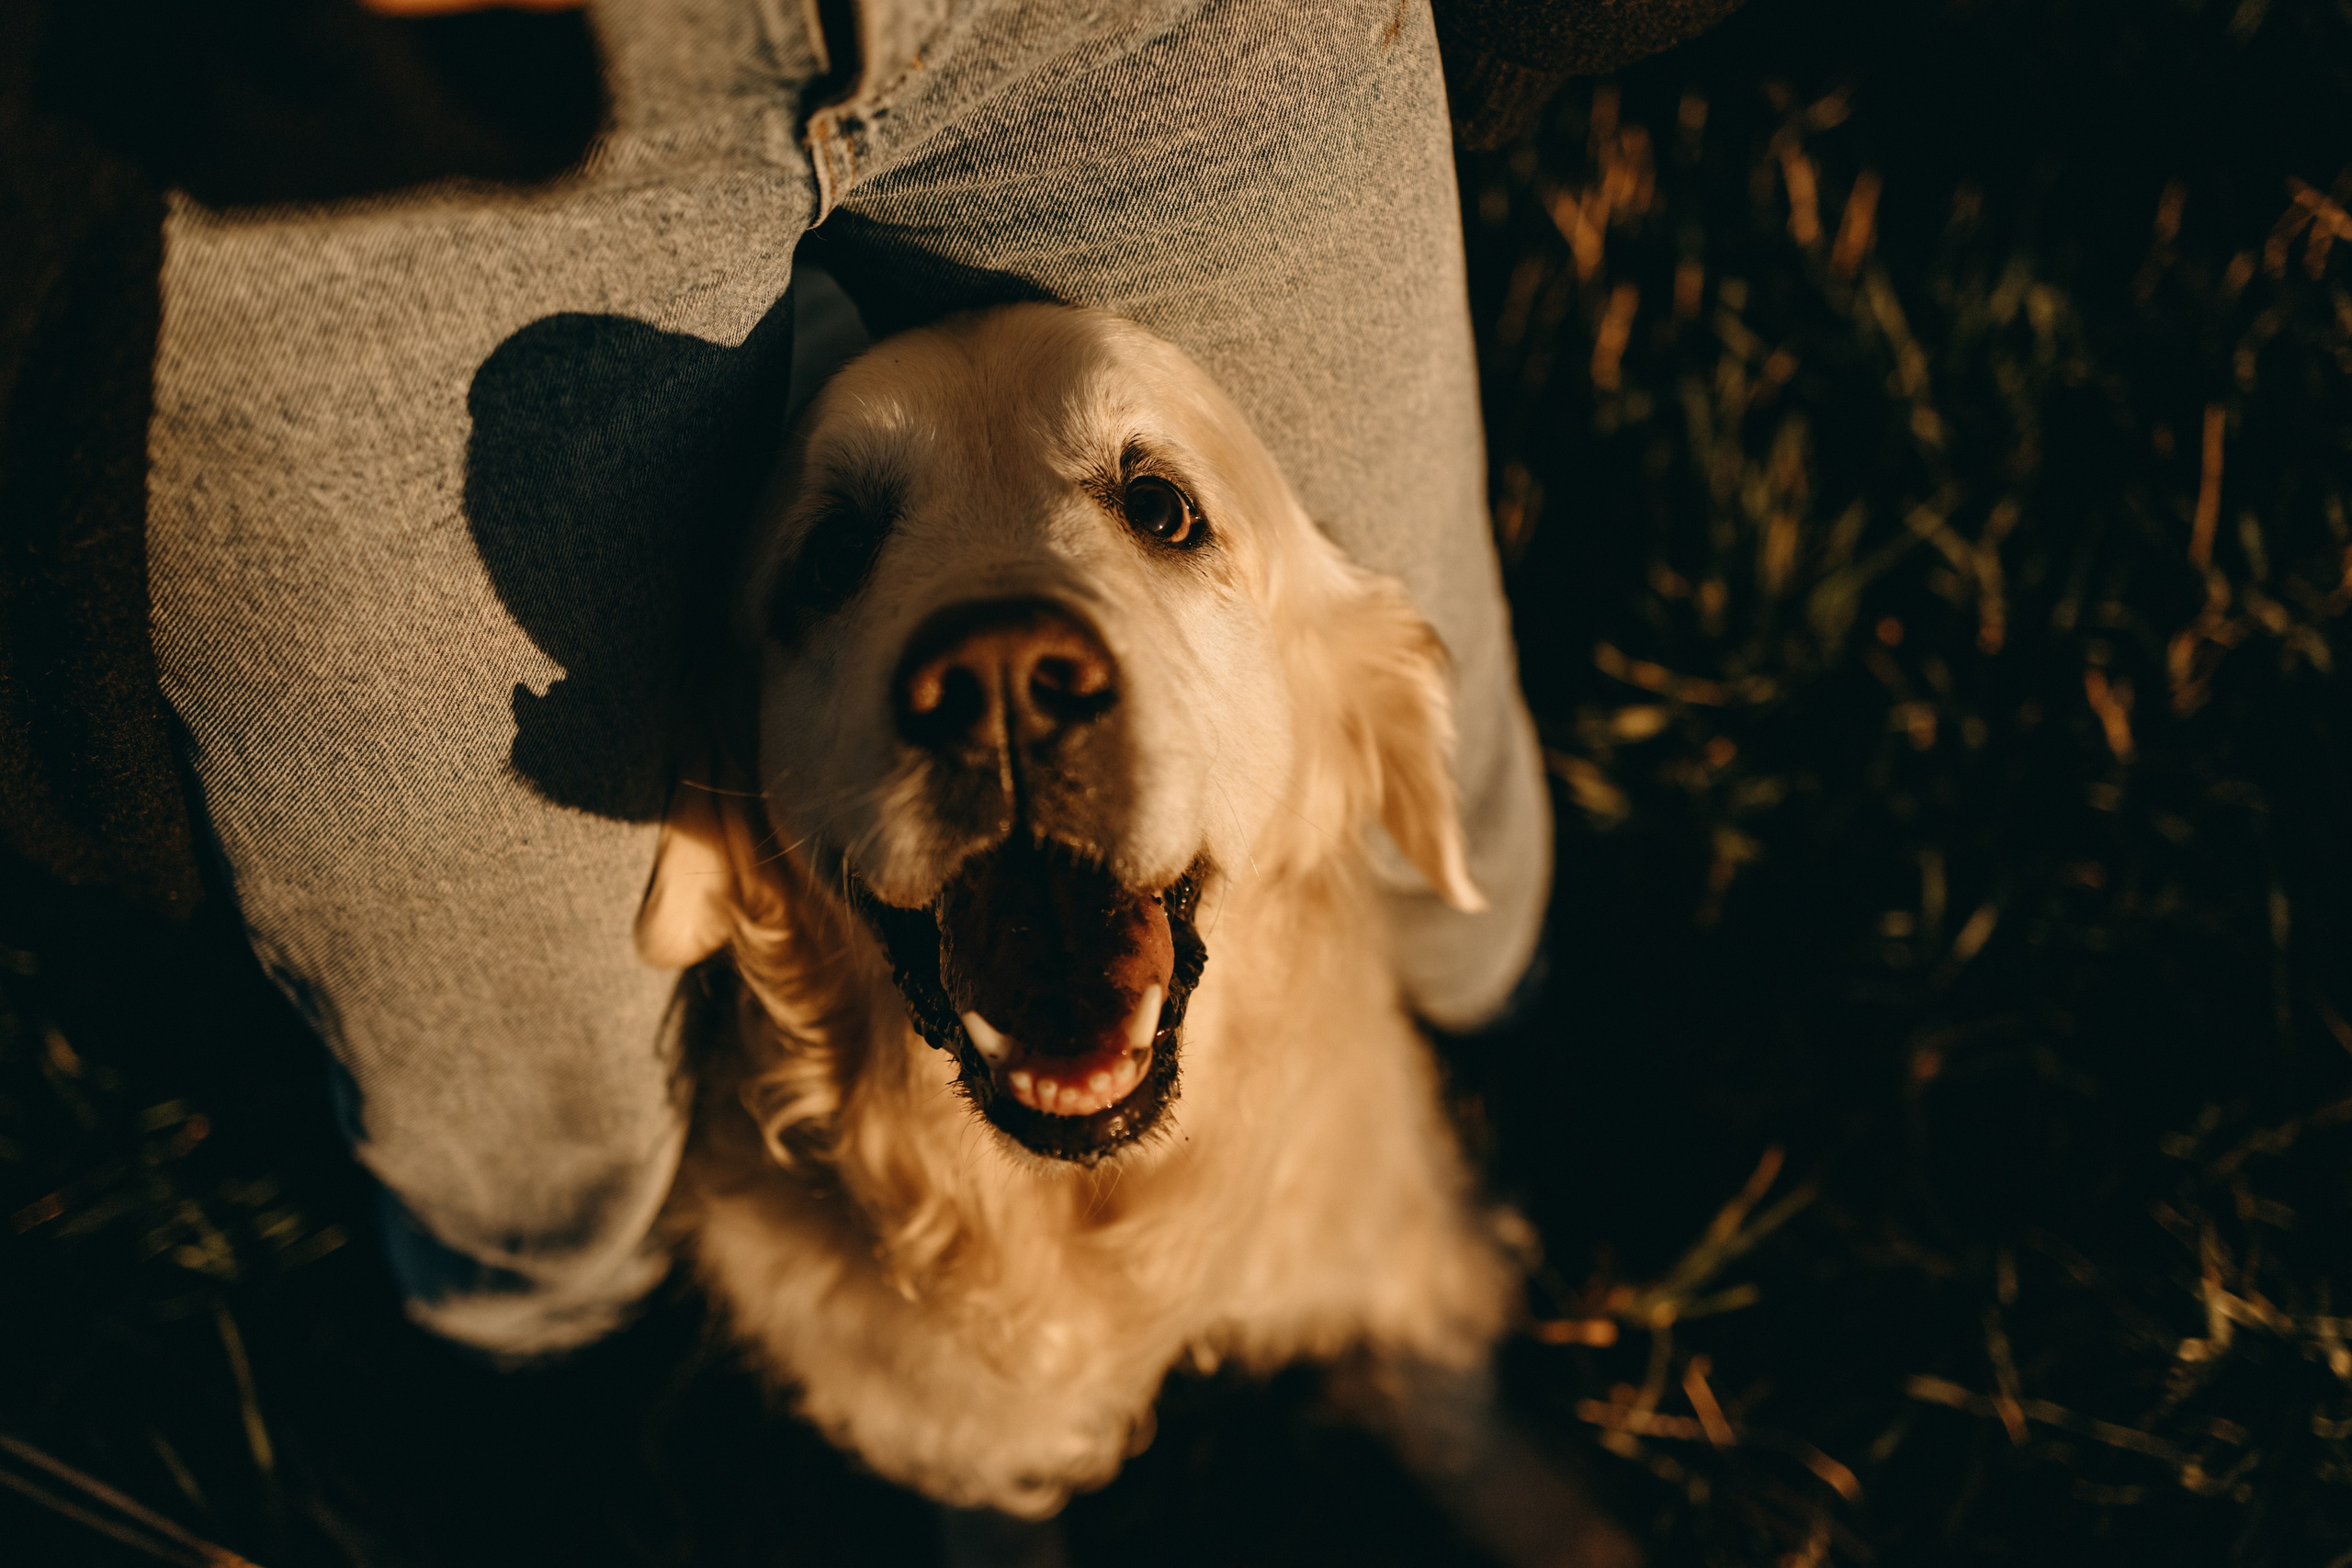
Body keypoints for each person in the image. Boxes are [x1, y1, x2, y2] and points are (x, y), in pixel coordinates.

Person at [3, 0, 1739, 1359]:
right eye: (835, 567)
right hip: (346, 136)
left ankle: (1495, 1006)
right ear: (732, 805)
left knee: (1459, 765)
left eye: (1151, 508)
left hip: (1119, 26)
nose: (996, 677)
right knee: (514, 1115)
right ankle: (546, 1327)